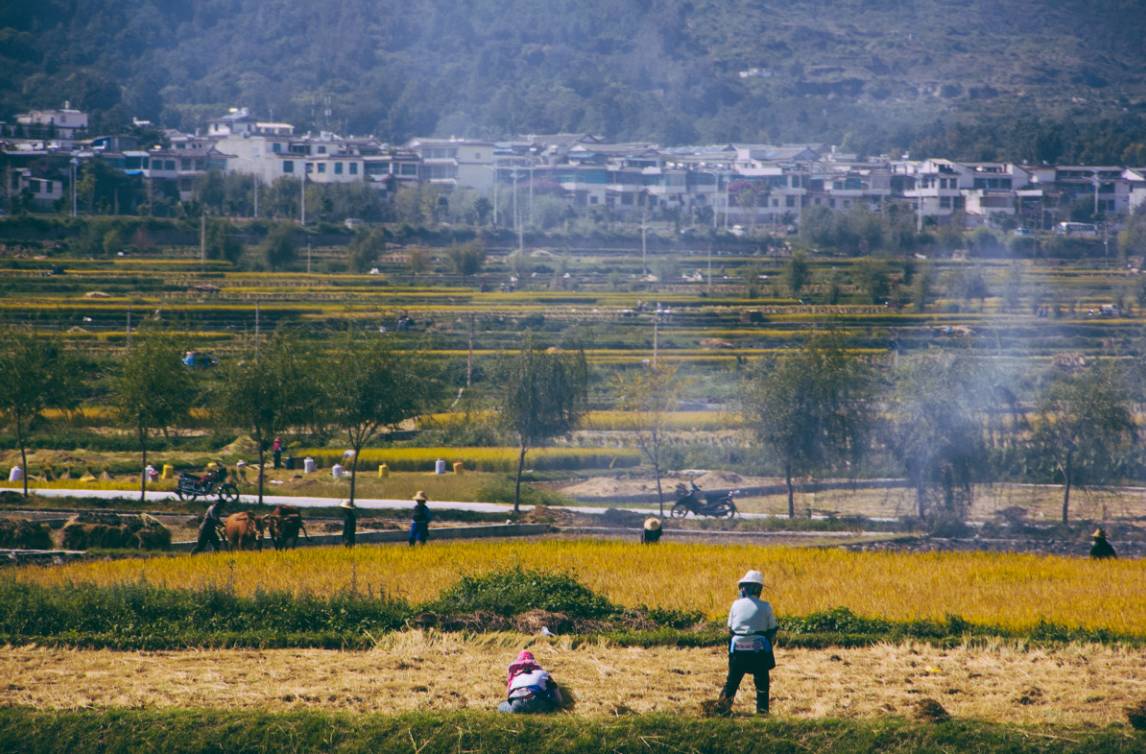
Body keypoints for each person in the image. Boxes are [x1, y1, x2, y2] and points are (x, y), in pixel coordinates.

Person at [716, 569, 778, 715]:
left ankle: (722, 709)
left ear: (744, 588)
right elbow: (772, 628)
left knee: (731, 682)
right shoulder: (766, 606)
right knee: (762, 683)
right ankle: (762, 712)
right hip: (759, 650)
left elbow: (731, 628)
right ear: (759, 589)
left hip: (738, 650)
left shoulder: (735, 605)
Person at [497, 650, 565, 714]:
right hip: (536, 701)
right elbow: (556, 694)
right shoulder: (543, 673)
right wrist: (558, 704)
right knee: (549, 705)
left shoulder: (516, 677)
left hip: (516, 703)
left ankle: (518, 710)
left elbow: (509, 696)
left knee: (501, 706)